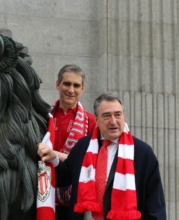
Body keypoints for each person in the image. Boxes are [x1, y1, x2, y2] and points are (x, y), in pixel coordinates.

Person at [38, 92, 166, 219]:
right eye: (106, 116)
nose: (113, 121)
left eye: (118, 114)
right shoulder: (83, 146)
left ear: (124, 117)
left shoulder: (143, 153)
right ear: (97, 120)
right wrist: (53, 158)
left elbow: (155, 204)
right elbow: (65, 178)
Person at [51, 64, 96, 219]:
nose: (71, 90)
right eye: (67, 84)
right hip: (44, 193)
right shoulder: (44, 117)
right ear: (58, 84)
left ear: (83, 89)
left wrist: (54, 155)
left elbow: (91, 160)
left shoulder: (91, 122)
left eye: (76, 85)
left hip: (76, 197)